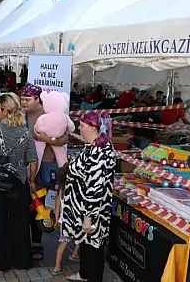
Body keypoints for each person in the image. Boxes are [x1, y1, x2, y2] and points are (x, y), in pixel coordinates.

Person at [0, 93, 38, 273]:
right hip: (19, 183)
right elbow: (33, 160)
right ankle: (21, 261)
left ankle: (0, 262)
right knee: (20, 222)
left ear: (4, 110)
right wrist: (32, 181)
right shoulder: (26, 133)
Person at [62, 111, 116, 282]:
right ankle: (84, 274)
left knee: (94, 247)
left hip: (92, 211)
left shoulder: (100, 151)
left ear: (93, 128)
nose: (79, 127)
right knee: (86, 244)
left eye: (82, 125)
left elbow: (95, 189)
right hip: (82, 207)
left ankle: (92, 277)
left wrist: (88, 218)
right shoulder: (94, 145)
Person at [20, 83, 69, 262]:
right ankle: (23, 240)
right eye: (22, 99)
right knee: (25, 204)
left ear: (38, 100)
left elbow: (65, 137)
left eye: (27, 100)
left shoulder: (50, 114)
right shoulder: (20, 114)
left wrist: (46, 139)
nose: (23, 102)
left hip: (44, 166)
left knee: (39, 203)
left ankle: (36, 243)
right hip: (23, 165)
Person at [52, 163, 80, 276]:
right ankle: (75, 253)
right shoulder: (76, 188)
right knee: (82, 237)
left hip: (64, 221)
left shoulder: (61, 189)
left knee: (63, 243)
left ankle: (57, 267)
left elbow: (57, 206)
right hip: (75, 219)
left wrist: (57, 220)